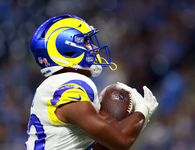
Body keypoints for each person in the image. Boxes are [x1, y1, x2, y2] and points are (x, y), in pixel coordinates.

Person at [25, 14, 158, 150]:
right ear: (67, 50)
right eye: (86, 42)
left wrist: (135, 121)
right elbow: (121, 140)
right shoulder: (69, 85)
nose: (94, 47)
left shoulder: (58, 85)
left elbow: (109, 144)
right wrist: (143, 109)